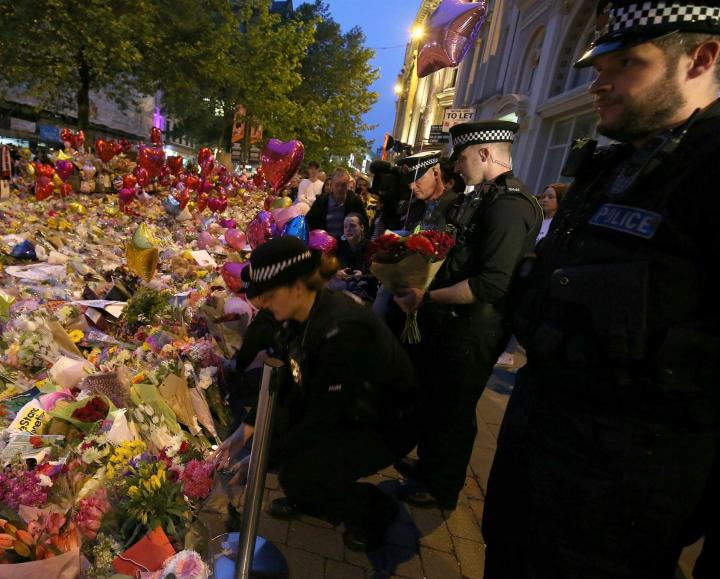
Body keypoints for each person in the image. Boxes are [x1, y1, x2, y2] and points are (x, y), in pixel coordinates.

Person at [481, 2, 720, 579]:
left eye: (628, 64)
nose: (599, 81)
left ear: (703, 57)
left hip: (616, 506)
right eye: (597, 65)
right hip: (538, 461)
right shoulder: (616, 163)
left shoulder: (709, 172)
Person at [216, 236, 418, 551]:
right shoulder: (295, 312)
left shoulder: (342, 329)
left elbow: (321, 419)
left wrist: (260, 460)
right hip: (339, 405)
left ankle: (374, 509)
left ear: (298, 286)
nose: (263, 304)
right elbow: (284, 377)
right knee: (279, 444)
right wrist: (247, 429)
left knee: (299, 474)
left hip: (385, 421)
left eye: (269, 296)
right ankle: (311, 493)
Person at [392, 120, 542, 510]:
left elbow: (491, 285)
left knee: (455, 407)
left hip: (476, 328)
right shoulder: (485, 197)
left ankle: (442, 486)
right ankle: (430, 465)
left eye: (461, 158)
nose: (457, 167)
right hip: (455, 322)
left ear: (486, 153)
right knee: (440, 398)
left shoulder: (510, 206)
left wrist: (427, 297)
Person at [395, 151, 460, 233]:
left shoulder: (455, 206)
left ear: (436, 173)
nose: (411, 187)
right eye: (409, 182)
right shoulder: (414, 206)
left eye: (417, 179)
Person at [305, 168, 369, 238]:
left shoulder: (355, 202)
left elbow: (364, 225)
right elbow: (309, 223)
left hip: (348, 244)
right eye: (337, 185)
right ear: (332, 185)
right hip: (323, 243)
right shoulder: (321, 201)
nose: (340, 188)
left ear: (347, 185)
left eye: (343, 185)